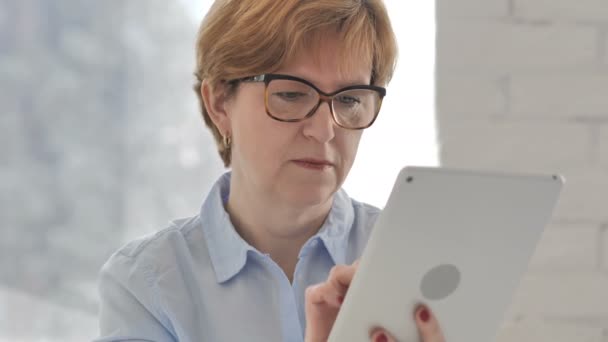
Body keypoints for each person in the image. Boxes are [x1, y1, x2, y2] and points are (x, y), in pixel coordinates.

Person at [95, 0, 445, 341]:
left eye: (349, 99)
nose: (324, 130)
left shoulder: (416, 261)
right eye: (292, 94)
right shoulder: (145, 287)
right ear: (218, 102)